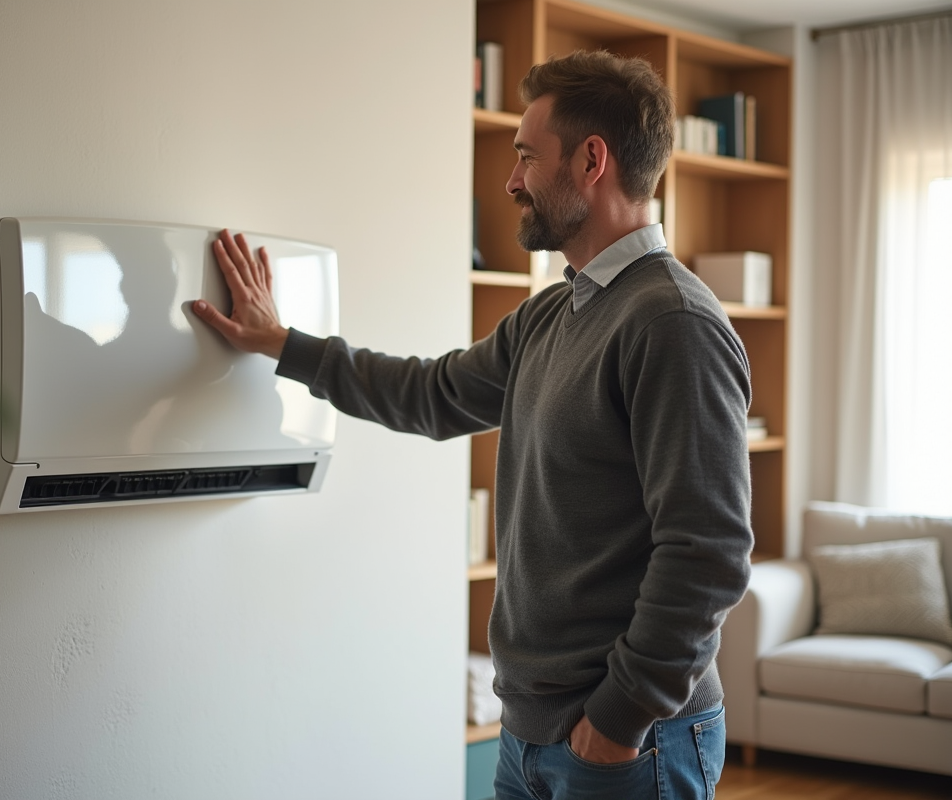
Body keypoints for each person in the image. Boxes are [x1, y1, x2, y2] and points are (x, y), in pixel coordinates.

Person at [192, 50, 753, 800]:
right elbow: (431, 393)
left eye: (527, 157)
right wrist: (279, 342)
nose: (513, 181)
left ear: (593, 161)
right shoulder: (554, 312)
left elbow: (709, 551)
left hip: (629, 743)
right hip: (530, 733)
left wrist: (619, 718)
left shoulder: (674, 323)